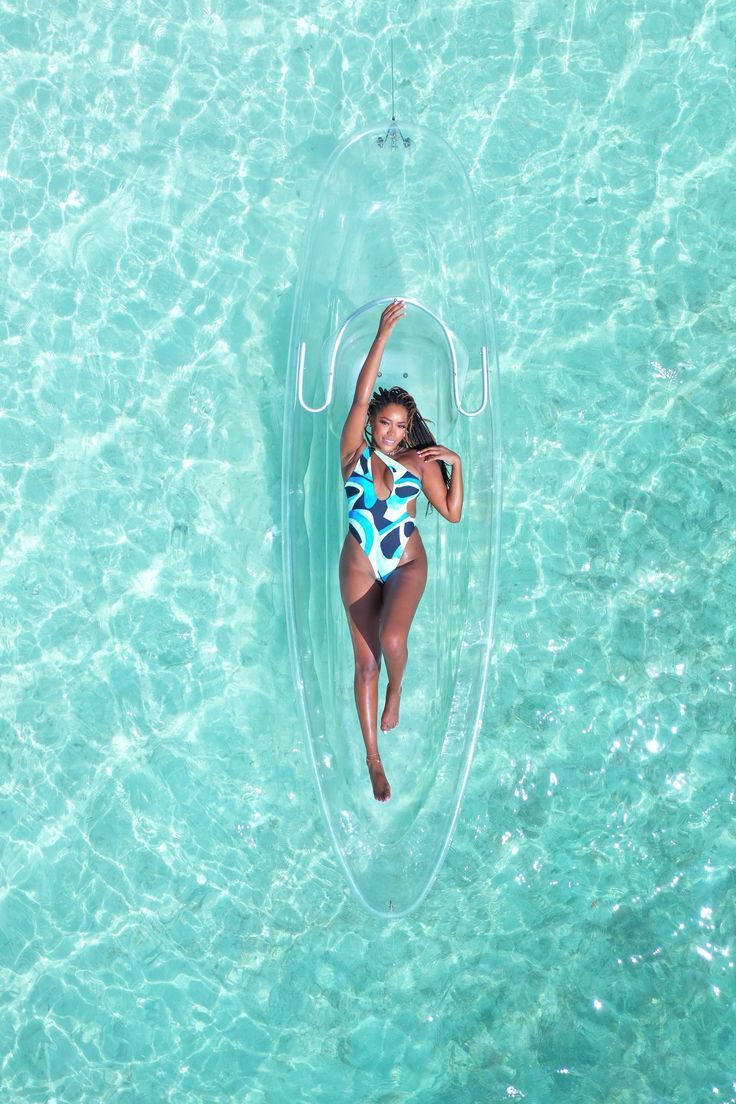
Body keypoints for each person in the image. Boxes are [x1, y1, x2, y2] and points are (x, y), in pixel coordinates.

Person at [339, 299, 464, 802]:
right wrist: (382, 335)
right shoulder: (353, 453)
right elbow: (360, 392)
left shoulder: (420, 461)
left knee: (393, 643)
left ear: (409, 428)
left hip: (407, 560)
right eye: (384, 423)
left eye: (399, 426)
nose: (391, 432)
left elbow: (452, 513)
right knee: (365, 663)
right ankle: (373, 759)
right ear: (373, 422)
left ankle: (397, 691)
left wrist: (458, 463)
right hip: (361, 563)